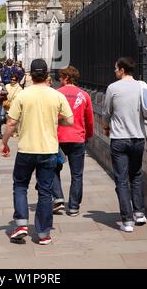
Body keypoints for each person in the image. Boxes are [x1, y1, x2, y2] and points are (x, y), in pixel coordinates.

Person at [1, 59, 74, 245]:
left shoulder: (23, 96)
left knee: (20, 186)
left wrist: (5, 142)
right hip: (48, 149)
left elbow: (11, 123)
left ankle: (21, 225)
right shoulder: (56, 95)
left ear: (30, 74)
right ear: (47, 74)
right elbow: (70, 120)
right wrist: (56, 122)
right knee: (45, 191)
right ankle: (43, 233)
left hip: (26, 149)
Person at [102, 57, 147, 232]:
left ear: (122, 70)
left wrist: (106, 127)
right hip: (138, 138)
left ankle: (127, 221)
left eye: (116, 69)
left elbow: (106, 112)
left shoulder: (113, 88)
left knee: (121, 180)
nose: (114, 71)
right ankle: (139, 214)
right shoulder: (141, 86)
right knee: (136, 175)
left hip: (119, 139)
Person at [52, 66, 94, 216]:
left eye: (61, 77)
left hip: (59, 138)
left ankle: (58, 198)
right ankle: (74, 206)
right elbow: (89, 120)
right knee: (77, 174)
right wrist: (87, 135)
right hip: (77, 138)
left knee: (54, 170)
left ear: (66, 78)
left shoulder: (56, 94)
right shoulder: (84, 96)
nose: (60, 80)